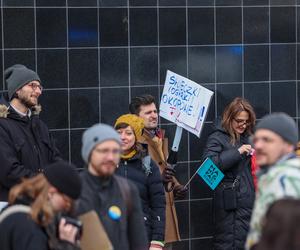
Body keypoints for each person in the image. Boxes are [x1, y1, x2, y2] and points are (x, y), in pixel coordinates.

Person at [76, 123, 148, 250]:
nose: (110, 157)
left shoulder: (127, 190)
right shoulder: (73, 190)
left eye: (115, 151)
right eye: (104, 151)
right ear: (89, 152)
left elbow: (138, 242)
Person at [129, 94, 186, 248]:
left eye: (155, 111)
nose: (154, 115)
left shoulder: (158, 137)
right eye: (148, 113)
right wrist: (159, 180)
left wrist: (175, 187)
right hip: (148, 223)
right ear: (136, 117)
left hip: (164, 219)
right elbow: (134, 181)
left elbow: (163, 168)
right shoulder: (134, 142)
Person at [0, 64, 61, 202]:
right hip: (13, 205)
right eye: (32, 85)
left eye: (39, 87)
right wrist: (44, 183)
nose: (38, 91)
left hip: (42, 202)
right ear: (17, 90)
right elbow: (9, 172)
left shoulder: (40, 126)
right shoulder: (2, 125)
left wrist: (60, 179)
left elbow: (56, 159)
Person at [202, 97, 256, 250]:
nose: (243, 125)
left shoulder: (249, 138)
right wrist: (238, 152)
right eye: (239, 121)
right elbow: (207, 170)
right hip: (230, 206)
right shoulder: (217, 137)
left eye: (246, 122)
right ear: (229, 117)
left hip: (248, 204)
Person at [245, 112, 300, 250]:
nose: (258, 145)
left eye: (267, 140)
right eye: (256, 140)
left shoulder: (287, 179)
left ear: (288, 145)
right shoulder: (273, 175)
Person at [0, 161, 82, 250]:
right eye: (67, 201)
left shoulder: (17, 212)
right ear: (51, 192)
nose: (67, 207)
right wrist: (66, 245)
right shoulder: (29, 228)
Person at [114, 114, 166, 249]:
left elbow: (158, 205)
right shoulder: (106, 163)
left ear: (136, 136)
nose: (122, 137)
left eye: (128, 133)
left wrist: (157, 242)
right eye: (118, 132)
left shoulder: (147, 165)